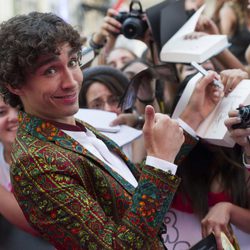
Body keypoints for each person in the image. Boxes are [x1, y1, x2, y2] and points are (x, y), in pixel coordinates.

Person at [0, 11, 222, 249]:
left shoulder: (66, 126)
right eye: (50, 71)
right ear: (15, 84)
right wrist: (160, 161)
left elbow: (129, 189)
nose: (71, 81)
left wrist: (194, 115)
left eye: (73, 62)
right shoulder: (34, 162)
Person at [161, 69, 250, 250]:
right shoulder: (173, 160)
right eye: (204, 108)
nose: (211, 117)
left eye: (219, 108)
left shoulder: (243, 153)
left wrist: (229, 209)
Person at [0, 96, 53, 249]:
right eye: (1, 112)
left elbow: (39, 225)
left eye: (21, 109)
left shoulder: (53, 157)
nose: (14, 117)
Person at [79, 65, 146, 163]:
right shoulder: (81, 146)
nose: (108, 109)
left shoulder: (140, 136)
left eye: (114, 100)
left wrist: (139, 120)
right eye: (97, 105)